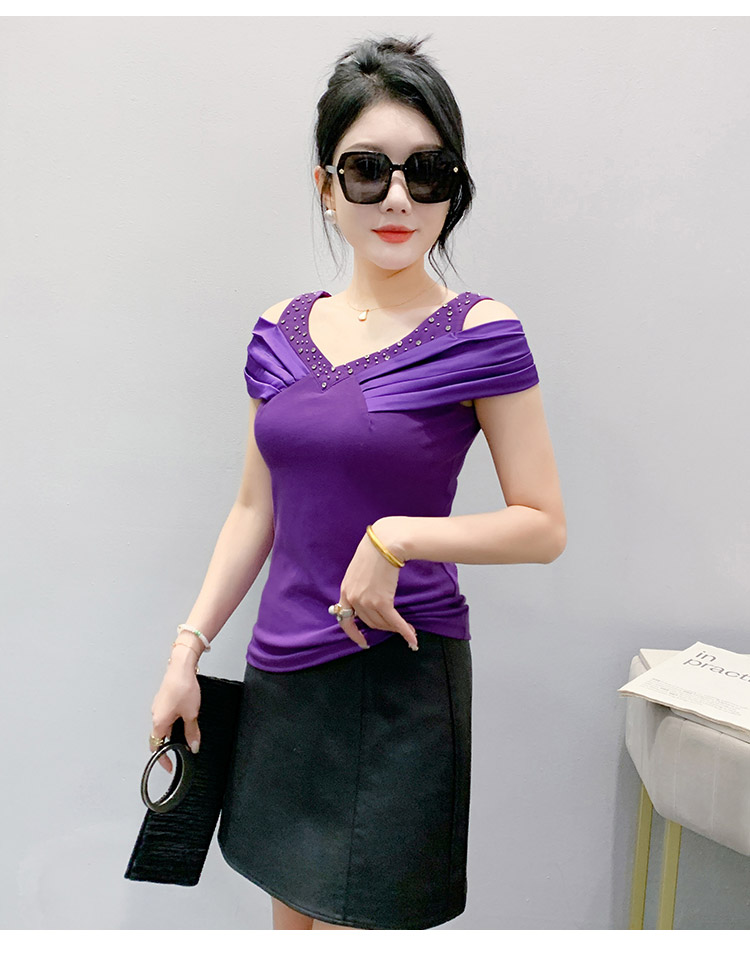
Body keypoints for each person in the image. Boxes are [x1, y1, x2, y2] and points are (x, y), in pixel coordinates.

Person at [149, 34, 566, 931]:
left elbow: (543, 524)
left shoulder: (481, 333)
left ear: (455, 185)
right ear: (326, 187)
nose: (400, 198)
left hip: (395, 675)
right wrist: (188, 650)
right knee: (290, 923)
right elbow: (254, 509)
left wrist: (397, 536)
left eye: (429, 171)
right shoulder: (279, 330)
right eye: (369, 170)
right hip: (281, 675)